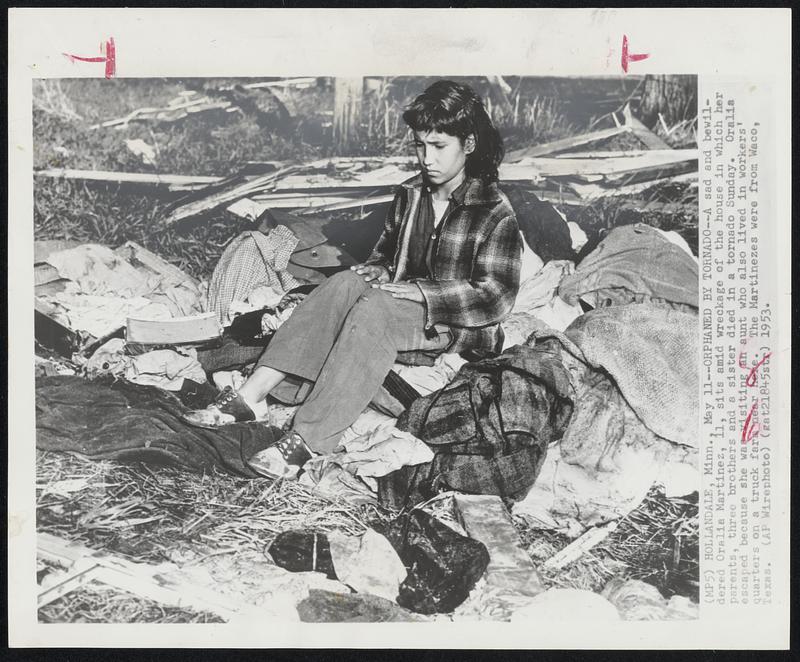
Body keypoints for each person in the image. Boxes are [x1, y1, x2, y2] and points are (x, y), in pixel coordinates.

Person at [183, 80, 522, 480]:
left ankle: (309, 440)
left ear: (468, 145)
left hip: (453, 324)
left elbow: (496, 296)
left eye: (439, 147)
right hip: (403, 302)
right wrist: (379, 267)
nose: (426, 158)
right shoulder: (411, 194)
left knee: (375, 309)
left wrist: (421, 291)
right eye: (419, 146)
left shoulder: (492, 210)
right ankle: (250, 397)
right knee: (345, 283)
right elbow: (387, 253)